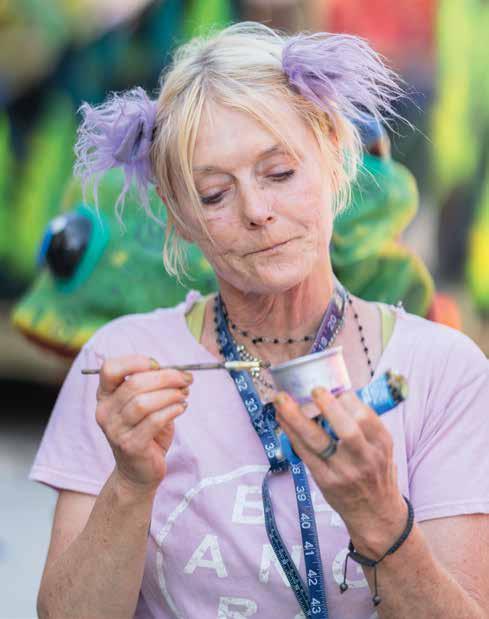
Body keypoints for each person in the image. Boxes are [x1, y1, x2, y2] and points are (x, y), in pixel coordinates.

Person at [31, 22, 489, 619]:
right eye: (214, 194)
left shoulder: (442, 372)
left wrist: (379, 519)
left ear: (334, 153)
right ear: (179, 215)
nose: (257, 210)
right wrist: (131, 484)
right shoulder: (124, 371)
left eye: (279, 173)